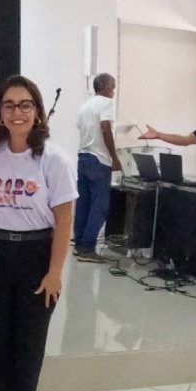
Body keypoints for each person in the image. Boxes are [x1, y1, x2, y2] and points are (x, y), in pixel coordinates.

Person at [0, 75, 77, 391]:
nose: (17, 112)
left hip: (36, 255)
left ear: (37, 111)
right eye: (9, 105)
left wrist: (54, 273)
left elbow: (64, 220)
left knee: (27, 343)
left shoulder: (53, 158)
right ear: (0, 113)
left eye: (25, 105)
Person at [74, 73, 121, 262]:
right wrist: (114, 157)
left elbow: (84, 129)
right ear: (107, 87)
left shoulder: (85, 106)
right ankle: (88, 248)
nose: (114, 92)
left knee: (83, 204)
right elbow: (105, 128)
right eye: (113, 87)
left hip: (83, 157)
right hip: (99, 160)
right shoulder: (107, 103)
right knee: (100, 206)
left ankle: (79, 245)